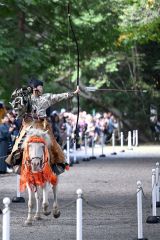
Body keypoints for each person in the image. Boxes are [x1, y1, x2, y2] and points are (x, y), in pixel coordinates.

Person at [5, 78, 80, 175]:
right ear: (35, 88)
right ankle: (16, 164)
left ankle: (57, 165)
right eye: (40, 87)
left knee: (54, 144)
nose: (42, 89)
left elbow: (59, 96)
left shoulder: (46, 97)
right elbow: (17, 111)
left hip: (42, 125)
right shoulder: (26, 98)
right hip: (28, 125)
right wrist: (21, 101)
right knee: (18, 143)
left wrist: (74, 93)